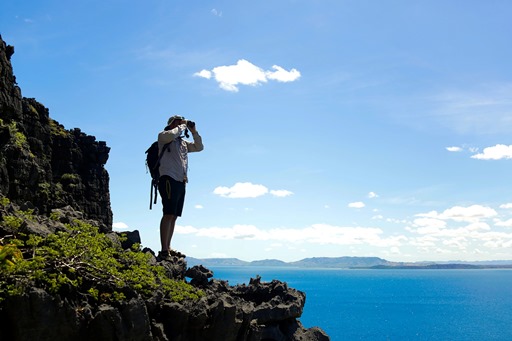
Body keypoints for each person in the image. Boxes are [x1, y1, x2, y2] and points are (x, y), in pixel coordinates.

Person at [157, 115, 203, 260]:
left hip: (181, 181)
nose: (180, 124)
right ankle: (164, 249)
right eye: (176, 122)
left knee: (174, 216)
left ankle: (168, 247)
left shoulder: (182, 143)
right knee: (168, 213)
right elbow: (171, 134)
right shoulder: (163, 136)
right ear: (171, 124)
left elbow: (199, 147)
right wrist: (182, 126)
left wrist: (194, 131)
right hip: (168, 178)